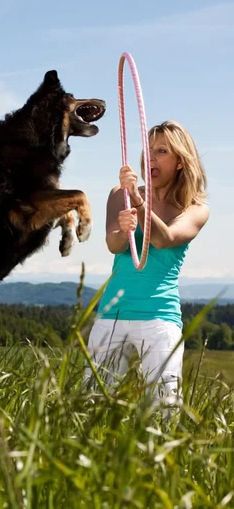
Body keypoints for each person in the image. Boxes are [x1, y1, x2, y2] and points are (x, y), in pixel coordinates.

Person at [85, 120, 209, 403]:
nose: (150, 157)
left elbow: (164, 239)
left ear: (180, 162)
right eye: (148, 149)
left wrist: (139, 204)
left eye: (162, 151)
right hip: (112, 314)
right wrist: (123, 226)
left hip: (159, 318)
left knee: (163, 408)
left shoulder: (195, 208)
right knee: (94, 404)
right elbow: (114, 244)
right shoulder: (120, 195)